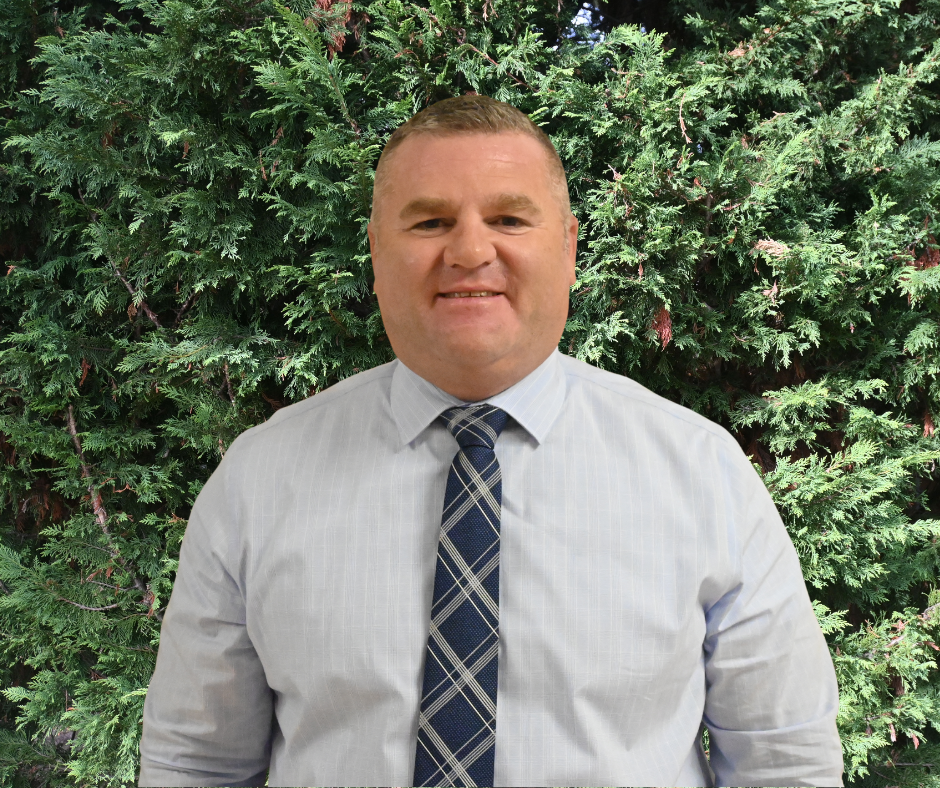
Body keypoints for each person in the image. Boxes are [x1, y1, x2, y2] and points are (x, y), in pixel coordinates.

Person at [138, 94, 843, 787]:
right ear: (377, 254)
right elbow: (196, 766)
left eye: (508, 217)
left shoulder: (700, 472)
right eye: (429, 222)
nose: (471, 250)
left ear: (568, 249)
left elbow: (786, 765)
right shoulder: (260, 479)